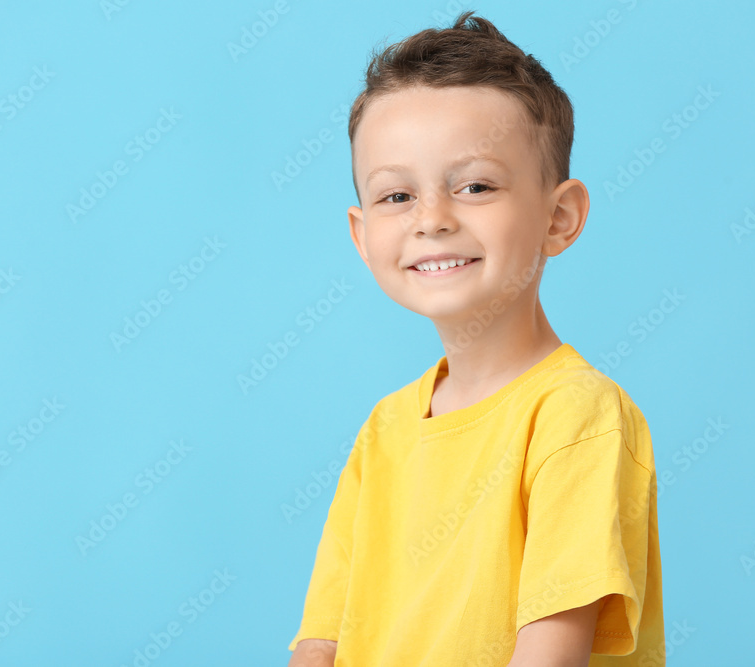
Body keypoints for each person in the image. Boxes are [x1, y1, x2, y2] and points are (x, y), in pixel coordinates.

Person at [287, 10, 664, 666]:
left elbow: (551, 651)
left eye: (475, 186)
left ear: (560, 216)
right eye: (397, 195)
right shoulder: (384, 431)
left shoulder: (576, 416)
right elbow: (322, 640)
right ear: (361, 233)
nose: (432, 219)